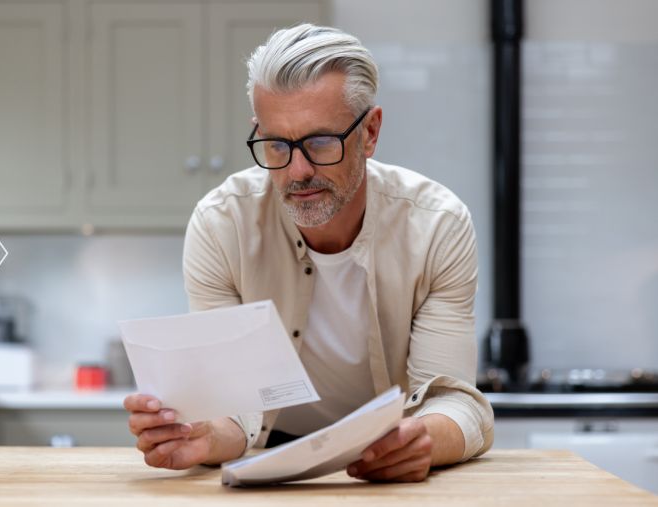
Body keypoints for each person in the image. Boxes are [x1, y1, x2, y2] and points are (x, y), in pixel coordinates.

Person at [123, 23, 494, 482]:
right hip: (266, 458)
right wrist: (201, 436)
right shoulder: (223, 225)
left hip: (388, 460)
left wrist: (423, 439)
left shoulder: (437, 225)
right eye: (277, 145)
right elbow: (232, 411)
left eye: (320, 142)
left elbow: (457, 401)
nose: (298, 171)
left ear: (370, 132)